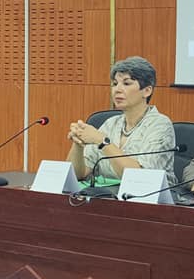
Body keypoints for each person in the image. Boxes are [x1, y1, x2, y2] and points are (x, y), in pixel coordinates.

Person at [67, 56, 175, 185]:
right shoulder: (110, 124)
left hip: (148, 195)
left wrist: (102, 141)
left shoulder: (160, 125)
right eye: (115, 83)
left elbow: (140, 179)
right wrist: (78, 143)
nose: (117, 89)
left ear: (146, 91)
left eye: (126, 83)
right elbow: (77, 174)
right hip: (108, 195)